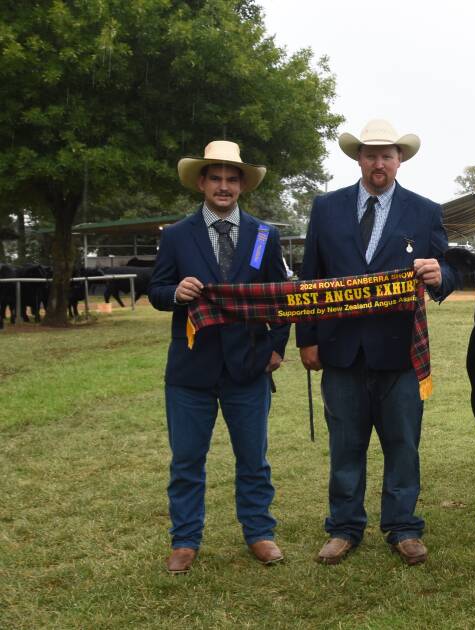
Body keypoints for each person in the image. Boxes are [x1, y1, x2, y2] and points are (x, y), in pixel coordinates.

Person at [296, 119, 459, 566]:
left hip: (400, 351)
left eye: (387, 155)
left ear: (399, 160)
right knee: (346, 446)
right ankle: (344, 528)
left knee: (403, 445)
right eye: (370, 154)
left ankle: (403, 527)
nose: (379, 162)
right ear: (358, 159)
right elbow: (309, 277)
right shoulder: (326, 208)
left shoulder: (425, 212)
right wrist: (306, 340)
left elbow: (450, 270)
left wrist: (439, 275)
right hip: (340, 350)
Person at [149, 140, 290, 575]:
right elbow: (156, 291)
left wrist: (277, 348)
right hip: (191, 370)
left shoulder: (266, 235)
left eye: (232, 179)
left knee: (254, 458)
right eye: (216, 178)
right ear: (202, 183)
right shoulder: (175, 236)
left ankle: (259, 533)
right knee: (187, 460)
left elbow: (280, 299)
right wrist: (176, 293)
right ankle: (186, 540)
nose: (224, 186)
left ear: (242, 185)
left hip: (248, 366)